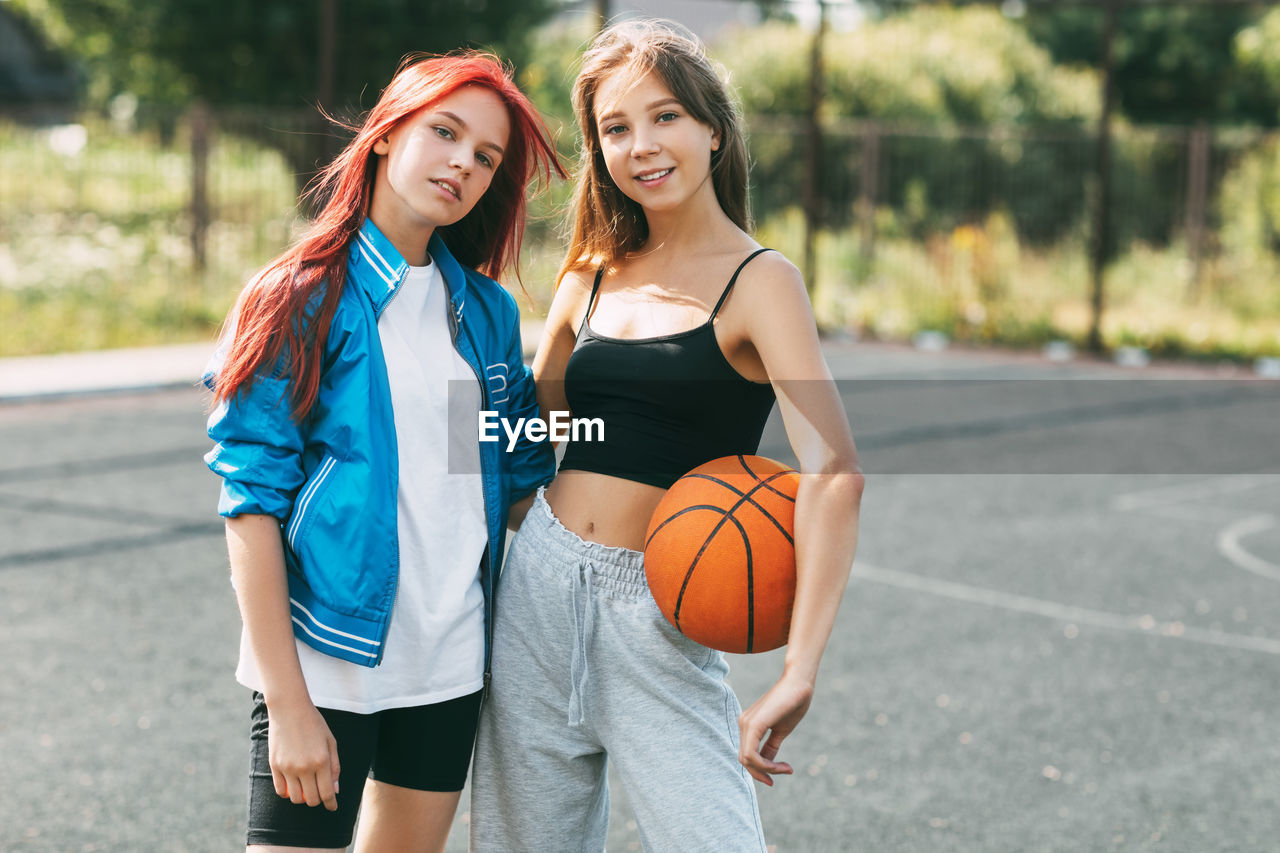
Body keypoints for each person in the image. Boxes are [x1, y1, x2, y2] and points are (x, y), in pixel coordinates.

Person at [470, 19, 865, 852]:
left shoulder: (763, 281)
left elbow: (833, 469)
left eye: (665, 118)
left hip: (660, 610)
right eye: (615, 128)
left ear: (712, 130)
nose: (641, 145)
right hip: (536, 591)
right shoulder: (589, 274)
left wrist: (801, 668)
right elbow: (532, 432)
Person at [203, 52, 563, 853]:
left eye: (485, 156)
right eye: (445, 132)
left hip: (449, 664)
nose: (462, 163)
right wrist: (288, 704)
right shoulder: (298, 296)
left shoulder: (486, 313)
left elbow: (509, 484)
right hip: (326, 659)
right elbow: (250, 505)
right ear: (384, 135)